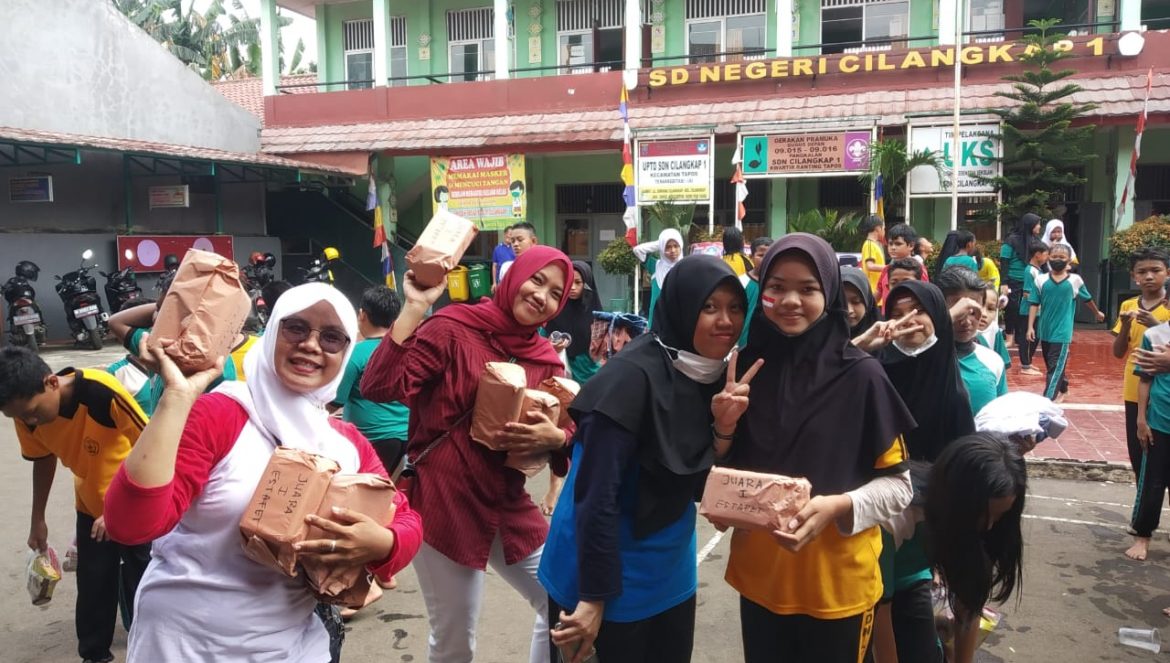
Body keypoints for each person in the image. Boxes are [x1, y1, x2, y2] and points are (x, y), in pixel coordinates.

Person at [103, 283, 422, 661]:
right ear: (271, 333)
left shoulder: (345, 443)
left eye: (332, 337)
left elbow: (406, 520)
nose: (311, 345)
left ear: (346, 351)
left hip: (291, 646)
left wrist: (382, 543)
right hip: (186, 643)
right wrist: (176, 399)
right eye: (296, 328)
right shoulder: (220, 414)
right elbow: (130, 525)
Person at [361, 246, 576, 663]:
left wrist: (556, 437)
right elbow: (379, 385)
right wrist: (415, 307)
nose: (541, 296)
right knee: (456, 641)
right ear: (514, 277)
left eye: (555, 293)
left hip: (506, 501)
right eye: (537, 280)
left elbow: (567, 427)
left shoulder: (546, 362)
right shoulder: (453, 327)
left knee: (563, 602)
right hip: (445, 500)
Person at [541, 255, 758, 663]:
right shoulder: (628, 380)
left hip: (669, 570)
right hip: (599, 572)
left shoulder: (710, 375)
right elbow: (595, 498)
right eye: (709, 307)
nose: (725, 321)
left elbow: (693, 478)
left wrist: (725, 427)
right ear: (682, 307)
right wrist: (593, 597)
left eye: (734, 308)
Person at [720, 233, 916, 663]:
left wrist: (839, 506)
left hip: (837, 587)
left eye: (808, 289)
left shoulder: (863, 377)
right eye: (776, 287)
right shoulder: (747, 370)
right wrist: (723, 427)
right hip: (761, 582)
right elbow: (727, 469)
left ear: (828, 295)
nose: (790, 300)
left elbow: (899, 488)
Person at [0, 346, 152, 663]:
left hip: (135, 504)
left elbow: (152, 444)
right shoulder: (25, 415)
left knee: (146, 581)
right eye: (19, 417)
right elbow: (42, 459)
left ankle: (154, 650)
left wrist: (119, 508)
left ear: (51, 382)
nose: (29, 420)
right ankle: (94, 656)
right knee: (93, 584)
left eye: (32, 411)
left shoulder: (100, 391)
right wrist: (38, 519)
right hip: (90, 504)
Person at [874, 280, 978, 663]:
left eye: (918, 312)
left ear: (937, 318)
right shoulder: (875, 375)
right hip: (874, 530)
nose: (908, 322)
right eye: (897, 315)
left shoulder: (954, 394)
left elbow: (964, 474)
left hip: (919, 544)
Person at [926, 433, 1025, 663]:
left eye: (999, 517)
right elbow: (884, 613)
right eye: (982, 515)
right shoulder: (908, 518)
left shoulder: (984, 534)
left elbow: (968, 606)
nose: (989, 526)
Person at [331, 285, 411, 473]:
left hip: (372, 440)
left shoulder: (355, 354)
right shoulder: (406, 350)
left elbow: (335, 401)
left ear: (362, 315)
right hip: (407, 437)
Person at [1112, 247, 1170, 478]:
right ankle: (1143, 497)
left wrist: (1156, 325)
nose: (1149, 276)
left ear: (1167, 272)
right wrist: (1125, 326)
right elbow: (1118, 352)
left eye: (1155, 270)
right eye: (1142, 272)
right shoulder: (1128, 305)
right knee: (1138, 453)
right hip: (1134, 387)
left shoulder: (1167, 306)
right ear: (1133, 276)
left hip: (1163, 388)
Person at [1026, 243, 1106, 402]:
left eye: (1062, 257)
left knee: (1055, 366)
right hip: (1045, 330)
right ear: (1048, 258)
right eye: (1054, 256)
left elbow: (1087, 299)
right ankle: (1063, 387)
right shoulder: (1040, 280)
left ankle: (1047, 401)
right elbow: (1034, 303)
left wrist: (1096, 313)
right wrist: (1030, 327)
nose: (1057, 259)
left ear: (1069, 260)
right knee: (1052, 365)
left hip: (1062, 332)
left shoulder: (1075, 280)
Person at [937, 267, 1008, 415]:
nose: (966, 322)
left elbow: (1001, 418)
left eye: (973, 311)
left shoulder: (992, 361)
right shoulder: (919, 357)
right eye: (959, 311)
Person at [1128, 313, 1170, 562]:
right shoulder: (1154, 335)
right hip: (1159, 421)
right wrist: (1141, 419)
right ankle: (1142, 536)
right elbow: (1145, 379)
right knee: (1152, 483)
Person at [545, 260, 604, 385]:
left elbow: (601, 352)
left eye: (578, 282)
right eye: (569, 282)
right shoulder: (554, 309)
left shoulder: (596, 315)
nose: (572, 287)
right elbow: (543, 338)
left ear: (586, 284)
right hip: (559, 374)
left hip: (588, 373)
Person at [1000, 213, 1044, 347]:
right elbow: (1004, 261)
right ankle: (1009, 338)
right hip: (1013, 280)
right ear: (1030, 225)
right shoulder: (1011, 240)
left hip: (1031, 280)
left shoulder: (1037, 241)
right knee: (1012, 309)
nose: (1039, 227)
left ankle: (1021, 337)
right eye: (1037, 224)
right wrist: (1004, 282)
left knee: (1027, 309)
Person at [633, 229, 684, 328]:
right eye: (668, 247)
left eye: (676, 246)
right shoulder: (655, 266)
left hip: (679, 324)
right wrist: (660, 244)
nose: (673, 250)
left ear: (681, 246)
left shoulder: (687, 267)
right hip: (657, 324)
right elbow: (637, 250)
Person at [1016, 240, 1050, 377]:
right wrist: (1040, 300)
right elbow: (1026, 293)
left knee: (1035, 337)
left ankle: (1028, 362)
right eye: (1046, 254)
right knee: (1028, 338)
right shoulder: (1030, 271)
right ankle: (1025, 365)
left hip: (1036, 311)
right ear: (1037, 255)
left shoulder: (1038, 270)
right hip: (1028, 311)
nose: (1047, 258)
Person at [875, 224, 929, 307]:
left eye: (898, 244)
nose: (893, 247)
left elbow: (925, 296)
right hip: (887, 314)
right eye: (890, 244)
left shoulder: (919, 269)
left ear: (911, 246)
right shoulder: (887, 269)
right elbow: (878, 293)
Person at [737, 237, 775, 347]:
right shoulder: (741, 282)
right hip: (744, 343)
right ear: (751, 257)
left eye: (769, 255)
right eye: (761, 255)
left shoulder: (779, 285)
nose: (765, 259)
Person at [977, 284, 1012, 370]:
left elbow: (1002, 365)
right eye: (979, 306)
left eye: (990, 309)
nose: (984, 314)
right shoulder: (957, 332)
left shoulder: (994, 330)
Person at [843, 267, 881, 340]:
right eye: (842, 302)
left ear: (867, 302)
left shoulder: (885, 335)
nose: (849, 310)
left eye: (856, 302)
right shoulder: (821, 337)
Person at [860, 214, 887, 294]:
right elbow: (870, 266)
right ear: (878, 229)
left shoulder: (873, 244)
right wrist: (889, 267)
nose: (884, 231)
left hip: (877, 289)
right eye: (884, 229)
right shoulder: (869, 244)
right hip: (873, 289)